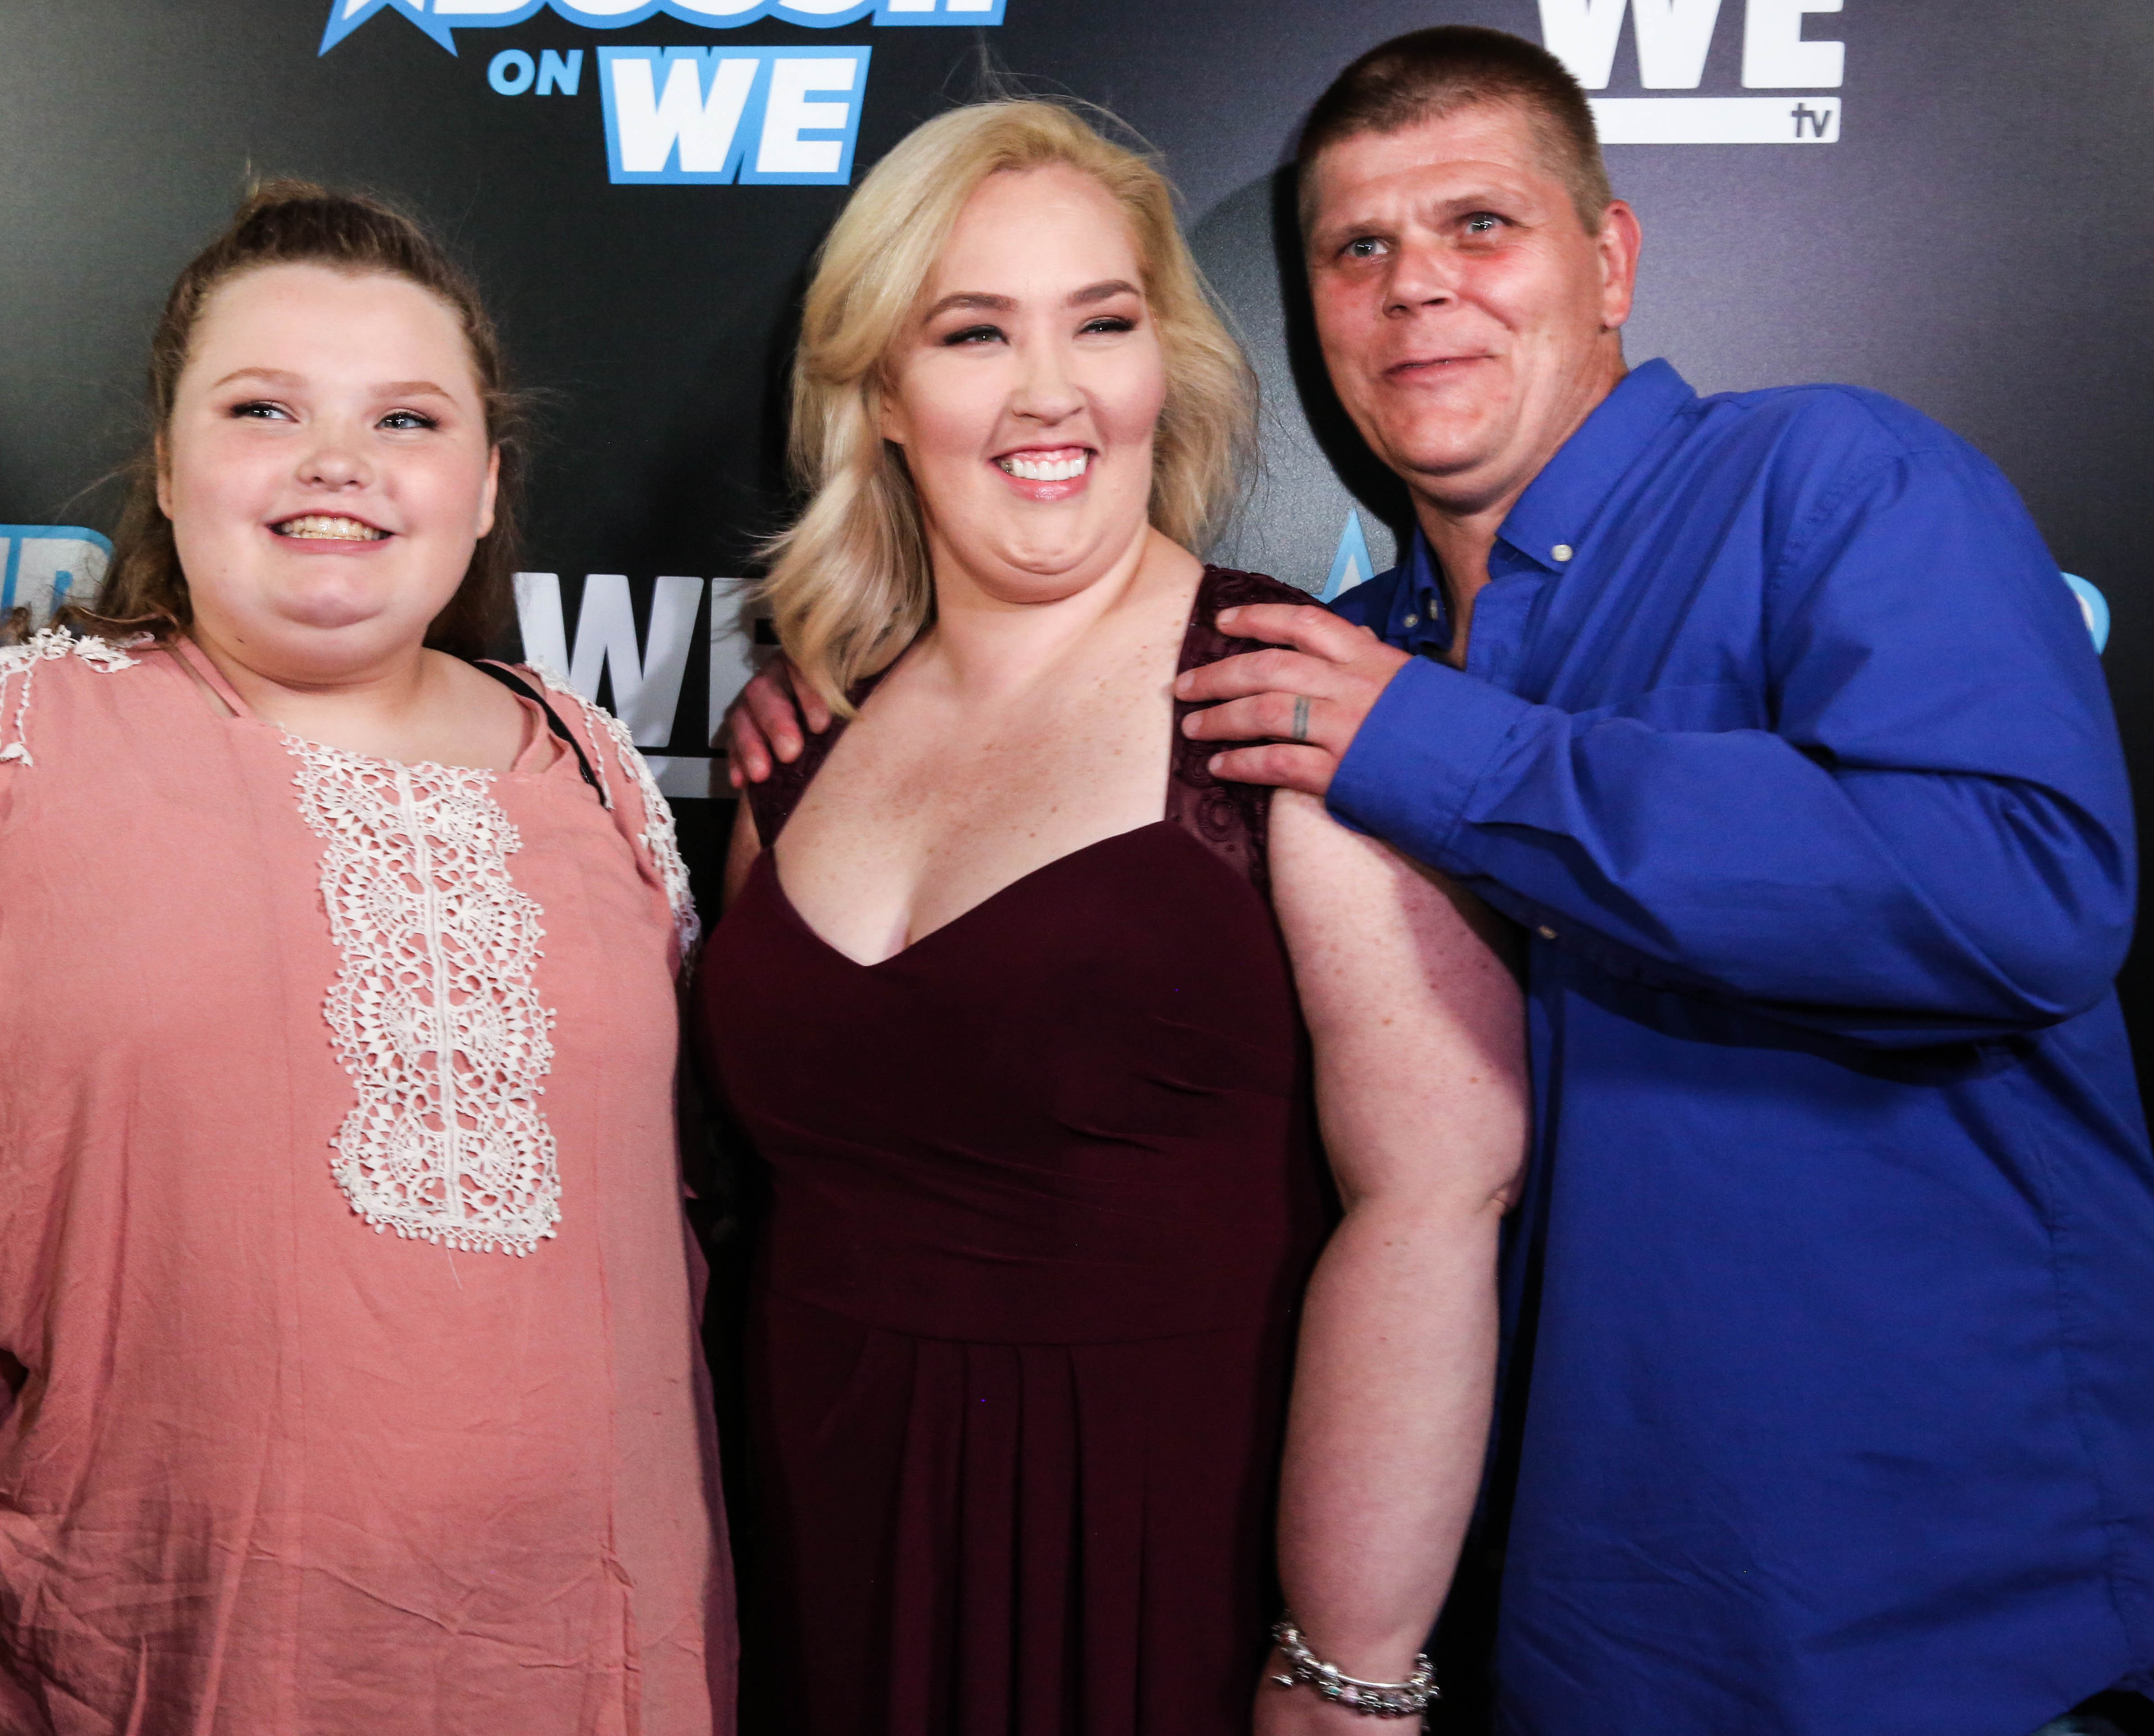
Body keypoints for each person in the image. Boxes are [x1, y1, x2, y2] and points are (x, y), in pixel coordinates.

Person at [723, 26, 2154, 1736]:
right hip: (1576, 1619)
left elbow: (2023, 886)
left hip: (1926, 1608)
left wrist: (1448, 753)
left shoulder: (1827, 483)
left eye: (1481, 226)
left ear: (1610, 259)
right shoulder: (1339, 660)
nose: (1418, 292)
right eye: (1359, 249)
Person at [0, 183, 733, 1734]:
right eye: (264, 407)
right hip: (168, 1647)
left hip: (592, 1649)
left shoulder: (591, 761)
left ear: (488, 479)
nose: (339, 465)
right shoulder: (13, 736)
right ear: (168, 468)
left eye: (407, 418)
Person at [693, 100, 1528, 1736]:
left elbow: (1437, 1201)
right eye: (974, 331)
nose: (1052, 390)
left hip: (1171, 1567)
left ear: (1168, 367)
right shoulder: (799, 745)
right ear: (878, 395)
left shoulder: (1292, 698)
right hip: (809, 1548)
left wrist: (1347, 1665)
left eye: (1103, 321)